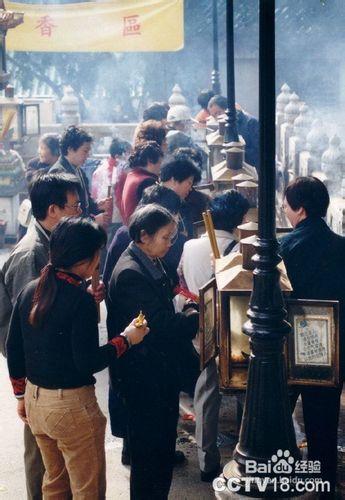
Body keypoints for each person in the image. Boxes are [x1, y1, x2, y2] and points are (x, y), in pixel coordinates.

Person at [6, 217, 148, 499]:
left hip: (37, 402)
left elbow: (14, 348)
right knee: (87, 489)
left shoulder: (32, 289)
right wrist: (127, 339)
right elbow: (88, 362)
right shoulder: (78, 300)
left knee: (55, 483)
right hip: (70, 407)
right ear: (89, 257)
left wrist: (21, 396)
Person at [107, 204, 199, 499]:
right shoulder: (131, 273)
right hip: (143, 377)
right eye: (166, 238)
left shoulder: (151, 259)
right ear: (144, 236)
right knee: (149, 459)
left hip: (160, 373)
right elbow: (160, 324)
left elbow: (170, 293)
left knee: (160, 451)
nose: (171, 244)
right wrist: (196, 316)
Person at [0, 172, 82, 500]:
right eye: (74, 206)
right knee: (42, 455)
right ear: (53, 210)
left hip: (50, 372)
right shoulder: (31, 254)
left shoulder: (53, 244)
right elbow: (27, 329)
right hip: (38, 375)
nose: (79, 212)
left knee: (54, 457)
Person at [279, 176, 345, 497]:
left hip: (290, 345)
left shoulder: (284, 248)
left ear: (300, 210)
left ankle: (284, 476)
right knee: (324, 423)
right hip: (331, 348)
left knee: (278, 416)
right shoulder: (342, 247)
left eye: (287, 207)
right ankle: (324, 486)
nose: (285, 212)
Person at [179, 190, 250, 482]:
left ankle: (207, 461)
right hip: (234, 329)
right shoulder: (242, 250)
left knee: (206, 393)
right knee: (245, 389)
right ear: (240, 220)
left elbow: (181, 277)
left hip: (202, 328)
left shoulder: (189, 245)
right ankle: (246, 451)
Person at [103, 184, 184, 291]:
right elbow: (109, 281)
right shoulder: (124, 237)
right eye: (172, 214)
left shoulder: (172, 238)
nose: (176, 218)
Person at [50, 125, 111, 225]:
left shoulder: (79, 170)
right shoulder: (58, 173)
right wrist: (92, 221)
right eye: (85, 151)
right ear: (70, 149)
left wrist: (97, 206)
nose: (88, 155)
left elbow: (84, 203)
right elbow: (64, 214)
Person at [207, 96, 260, 170]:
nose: (217, 117)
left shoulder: (251, 123)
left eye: (218, 113)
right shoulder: (223, 128)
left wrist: (236, 153)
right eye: (214, 116)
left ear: (228, 109)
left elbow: (258, 151)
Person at [116, 141, 163, 224]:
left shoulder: (132, 175)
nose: (160, 167)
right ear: (150, 161)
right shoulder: (147, 181)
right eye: (159, 163)